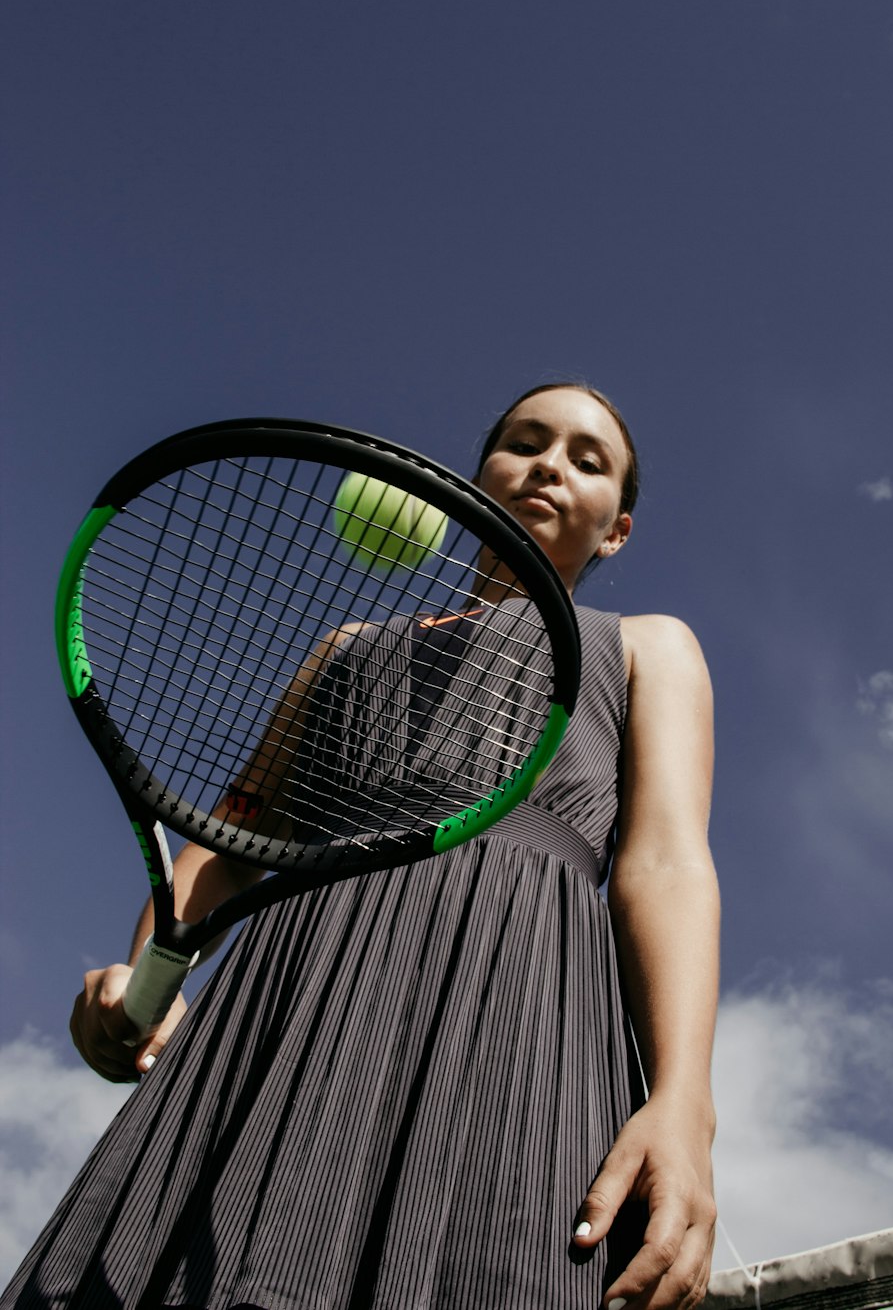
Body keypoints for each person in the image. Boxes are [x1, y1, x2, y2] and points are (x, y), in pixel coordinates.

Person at [2, 383, 719, 1310]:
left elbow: (665, 864)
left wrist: (684, 1104)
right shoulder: (347, 645)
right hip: (294, 992)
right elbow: (236, 836)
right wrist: (144, 977)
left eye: (587, 459)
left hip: (519, 1006)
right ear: (477, 478)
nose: (548, 464)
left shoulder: (647, 647)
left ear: (615, 530)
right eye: (525, 442)